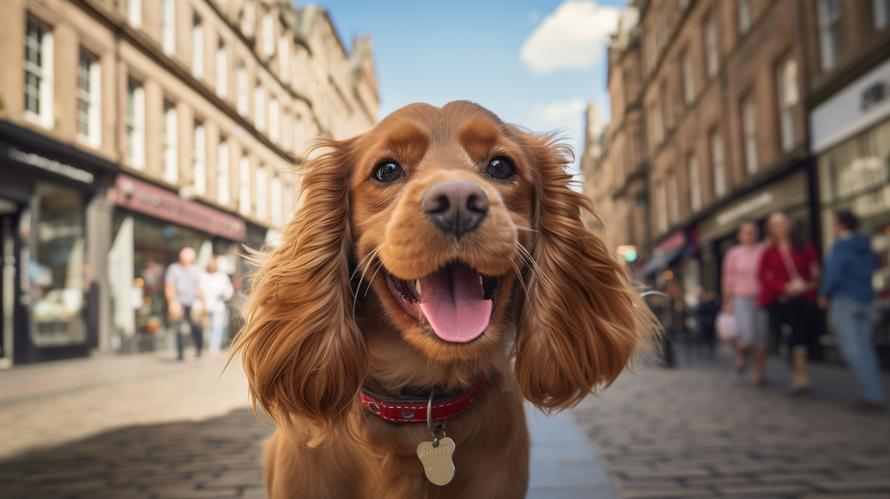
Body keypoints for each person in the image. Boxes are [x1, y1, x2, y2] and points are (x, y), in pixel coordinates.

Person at [820, 210, 884, 410]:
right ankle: (874, 392)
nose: (831, 228)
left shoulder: (840, 245)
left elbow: (834, 273)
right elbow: (877, 263)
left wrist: (824, 294)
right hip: (867, 299)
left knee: (852, 349)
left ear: (840, 225)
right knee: (865, 348)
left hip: (846, 299)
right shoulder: (865, 243)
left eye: (833, 224)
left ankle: (871, 395)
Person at [758, 212, 821, 396]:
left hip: (803, 299)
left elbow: (815, 270)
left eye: (782, 223)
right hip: (781, 301)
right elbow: (763, 276)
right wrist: (784, 287)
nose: (780, 228)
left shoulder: (805, 247)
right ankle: (799, 378)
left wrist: (806, 283)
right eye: (775, 225)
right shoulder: (768, 252)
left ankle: (802, 377)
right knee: (791, 337)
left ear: (789, 225)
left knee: (802, 337)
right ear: (770, 229)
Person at [722, 222, 770, 385]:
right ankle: (742, 355)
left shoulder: (763, 250)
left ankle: (759, 372)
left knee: (761, 338)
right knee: (746, 337)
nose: (749, 235)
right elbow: (728, 278)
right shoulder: (734, 253)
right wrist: (727, 302)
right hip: (740, 299)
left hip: (761, 298)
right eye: (745, 232)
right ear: (740, 235)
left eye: (752, 232)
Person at [165, 247, 204, 360]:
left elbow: (198, 287)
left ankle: (199, 349)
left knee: (196, 327)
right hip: (179, 302)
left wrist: (202, 302)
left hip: (192, 303)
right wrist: (172, 302)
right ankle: (180, 354)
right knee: (179, 329)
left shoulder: (195, 270)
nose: (186, 262)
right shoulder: (174, 269)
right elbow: (169, 286)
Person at [201, 255, 234, 355]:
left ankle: (214, 347)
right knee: (207, 327)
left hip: (218, 306)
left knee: (217, 327)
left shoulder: (222, 276)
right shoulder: (203, 275)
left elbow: (229, 290)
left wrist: (224, 295)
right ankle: (207, 345)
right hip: (205, 306)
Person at [695, 288, 720, 359]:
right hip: (704, 323)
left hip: (710, 323)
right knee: (707, 337)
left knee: (711, 338)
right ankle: (708, 350)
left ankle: (710, 350)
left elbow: (715, 310)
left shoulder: (711, 302)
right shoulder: (701, 303)